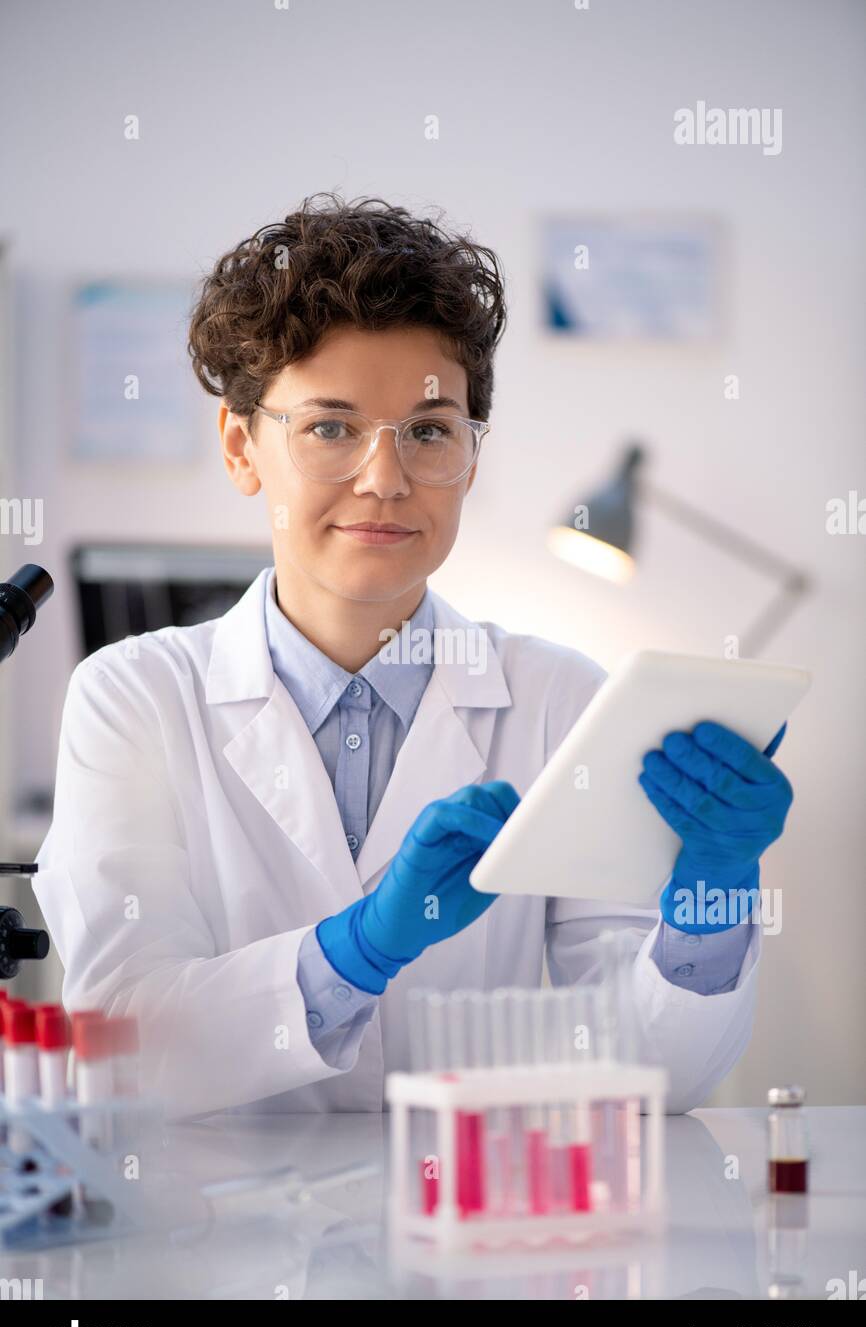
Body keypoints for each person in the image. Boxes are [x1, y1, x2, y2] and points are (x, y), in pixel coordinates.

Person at [32, 194, 794, 1118]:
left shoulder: (560, 700)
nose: (385, 479)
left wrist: (707, 902)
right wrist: (356, 949)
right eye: (330, 427)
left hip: (477, 1237)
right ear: (242, 448)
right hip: (213, 1246)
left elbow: (654, 1075)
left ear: (470, 458)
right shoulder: (134, 697)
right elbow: (125, 1046)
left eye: (429, 431)